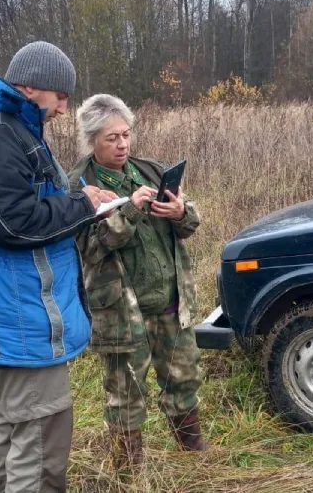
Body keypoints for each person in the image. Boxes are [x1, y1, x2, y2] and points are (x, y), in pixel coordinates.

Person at [0, 41, 114, 492]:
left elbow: (23, 205)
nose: (63, 108)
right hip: (16, 312)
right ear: (33, 87)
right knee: (39, 444)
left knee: (19, 428)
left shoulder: (9, 128)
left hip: (18, 310)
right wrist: (80, 207)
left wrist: (82, 202)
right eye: (61, 96)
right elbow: (9, 223)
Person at [68, 93, 208, 469]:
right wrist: (129, 209)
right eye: (112, 138)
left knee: (184, 377)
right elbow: (90, 247)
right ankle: (129, 472)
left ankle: (192, 455)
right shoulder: (79, 186)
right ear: (92, 140)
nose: (123, 144)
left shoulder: (149, 170)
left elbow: (190, 225)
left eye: (126, 134)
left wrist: (180, 211)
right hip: (120, 312)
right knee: (125, 393)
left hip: (169, 301)